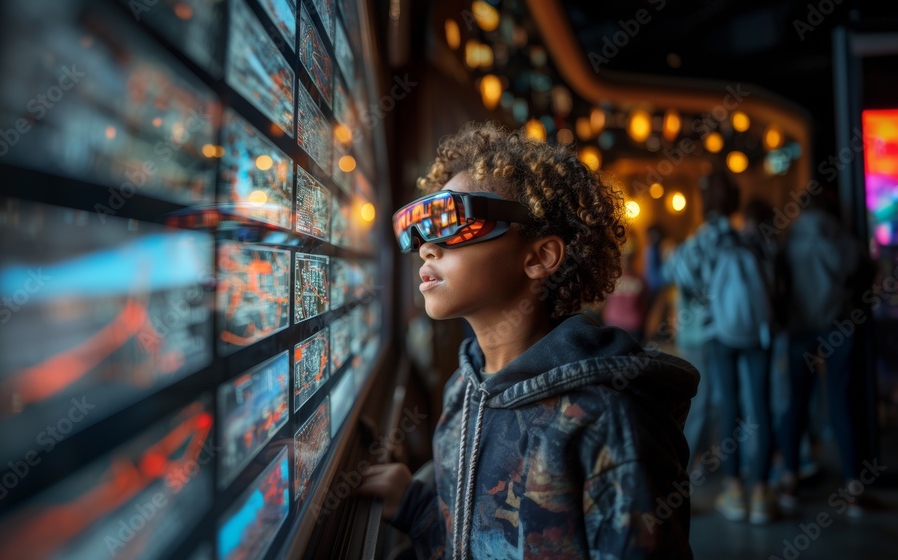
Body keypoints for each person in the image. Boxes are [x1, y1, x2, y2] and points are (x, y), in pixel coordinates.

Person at [357, 122, 698, 559]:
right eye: (418, 231)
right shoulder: (464, 393)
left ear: (539, 257)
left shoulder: (606, 419)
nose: (426, 247)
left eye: (453, 223)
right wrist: (415, 506)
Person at [664, 171, 777, 524]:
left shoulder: (699, 243)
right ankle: (759, 490)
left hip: (709, 335)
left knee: (717, 408)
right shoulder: (748, 240)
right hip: (751, 331)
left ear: (703, 203)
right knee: (758, 404)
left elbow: (672, 273)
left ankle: (721, 488)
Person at [775, 189, 869, 516]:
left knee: (796, 402)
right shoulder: (842, 237)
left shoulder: (789, 241)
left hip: (800, 329)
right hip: (839, 325)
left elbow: (779, 286)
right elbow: (860, 271)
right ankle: (853, 487)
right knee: (842, 401)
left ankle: (790, 481)